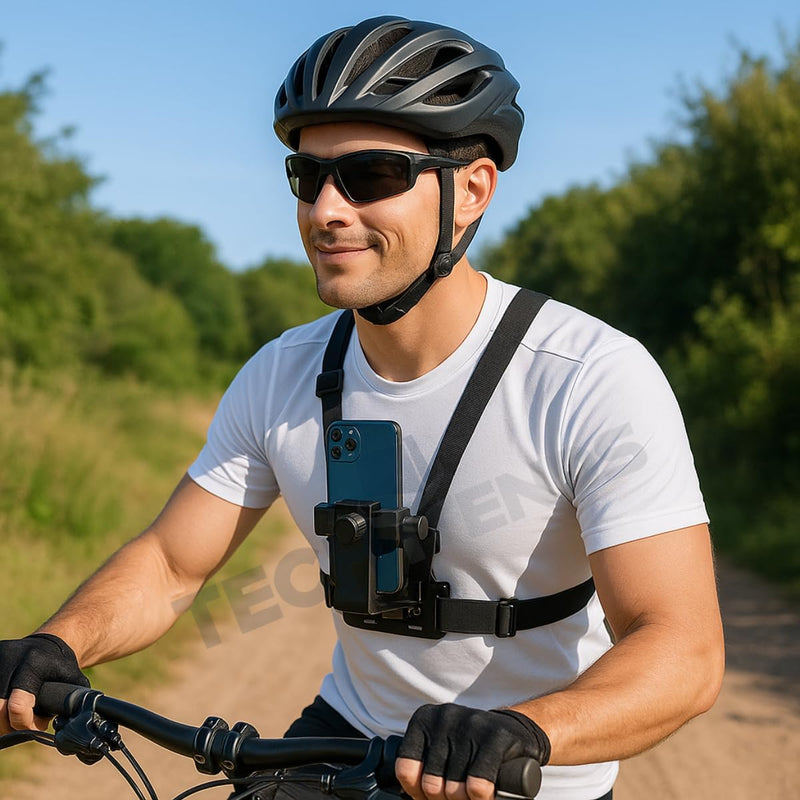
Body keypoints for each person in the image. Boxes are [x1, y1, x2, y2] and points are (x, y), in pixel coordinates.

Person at [0, 15, 724, 800]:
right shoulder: (282, 375)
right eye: (308, 176)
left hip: (522, 766)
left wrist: (527, 727)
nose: (325, 211)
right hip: (347, 738)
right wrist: (57, 643)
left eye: (371, 175)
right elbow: (171, 565)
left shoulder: (588, 379)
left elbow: (682, 648)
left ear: (471, 190)